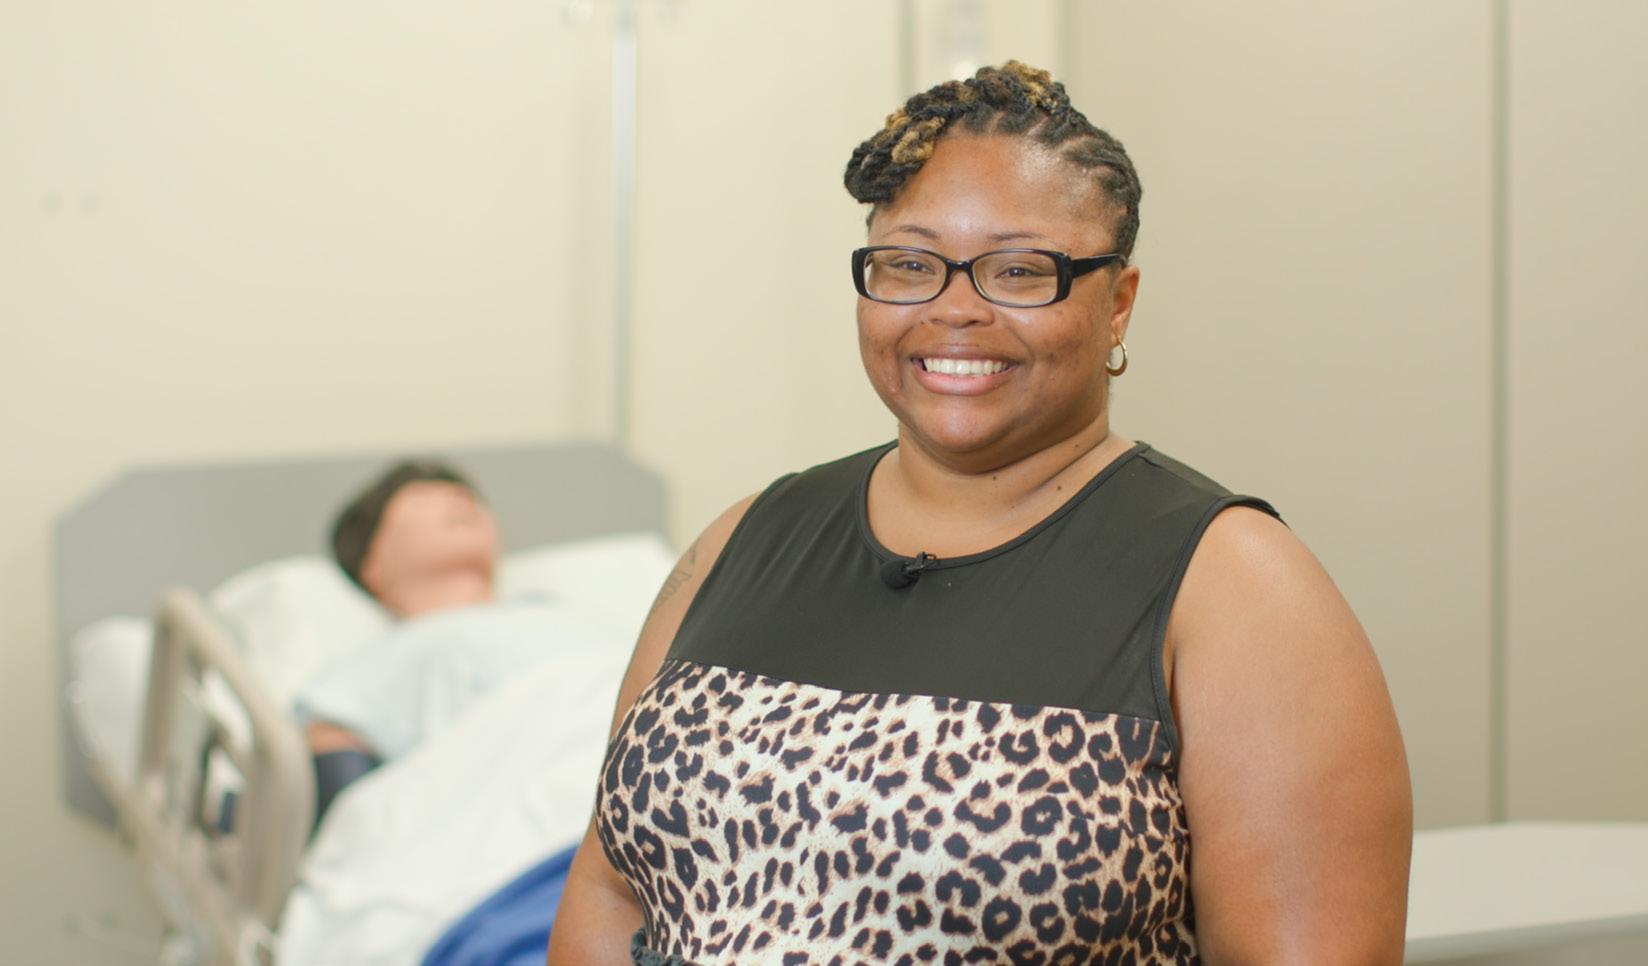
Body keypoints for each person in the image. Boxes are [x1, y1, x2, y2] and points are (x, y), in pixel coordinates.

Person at [549, 62, 1411, 965]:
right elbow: (610, 892)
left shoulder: (1236, 586)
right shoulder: (743, 540)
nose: (955, 309)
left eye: (1019, 271)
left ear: (1118, 304)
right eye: (910, 265)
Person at [298, 460, 603, 825]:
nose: (462, 499)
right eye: (424, 495)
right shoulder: (369, 669)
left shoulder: (572, 618)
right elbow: (350, 821)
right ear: (371, 564)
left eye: (468, 495)